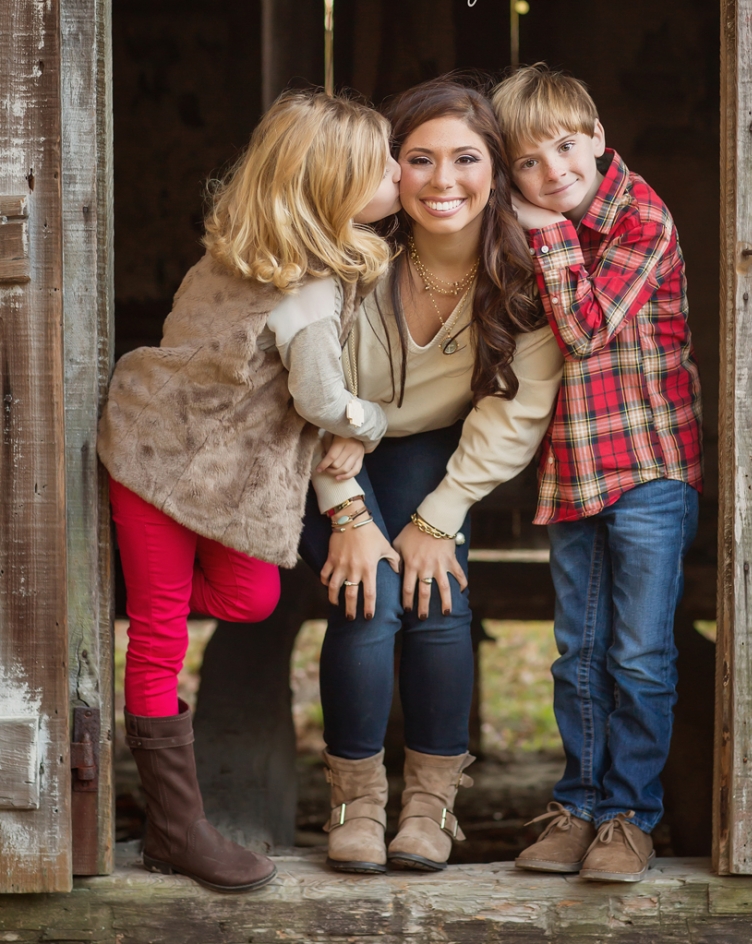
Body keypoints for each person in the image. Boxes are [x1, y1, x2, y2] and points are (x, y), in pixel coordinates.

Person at [97, 90, 402, 891]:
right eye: (384, 166)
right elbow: (320, 401)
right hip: (156, 459)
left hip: (216, 473)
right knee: (161, 638)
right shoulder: (302, 286)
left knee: (253, 599)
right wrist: (370, 419)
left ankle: (141, 581)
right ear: (333, 188)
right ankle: (176, 828)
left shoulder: (247, 253)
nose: (402, 176)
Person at [297, 79, 564, 875]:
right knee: (366, 596)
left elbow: (514, 415)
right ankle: (354, 805)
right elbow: (290, 387)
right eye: (419, 160)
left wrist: (437, 518)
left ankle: (428, 810)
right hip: (318, 449)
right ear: (390, 169)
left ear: (495, 170)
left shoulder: (524, 276)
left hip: (429, 448)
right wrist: (346, 513)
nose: (442, 181)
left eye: (465, 159)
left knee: (436, 591)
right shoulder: (345, 258)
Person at [491, 64, 703, 883]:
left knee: (640, 654)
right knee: (576, 653)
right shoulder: (540, 224)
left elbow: (583, 330)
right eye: (529, 164)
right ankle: (576, 807)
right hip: (573, 472)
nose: (553, 173)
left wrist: (539, 229)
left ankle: (628, 818)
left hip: (649, 467)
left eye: (566, 148)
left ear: (597, 139)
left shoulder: (640, 219)